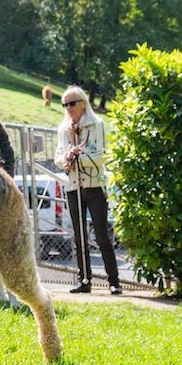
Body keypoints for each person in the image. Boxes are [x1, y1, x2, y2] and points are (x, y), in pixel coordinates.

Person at [55, 86, 122, 295]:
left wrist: (78, 157)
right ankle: (84, 279)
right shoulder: (63, 129)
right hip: (73, 187)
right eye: (65, 104)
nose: (69, 108)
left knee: (101, 234)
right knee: (79, 236)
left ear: (83, 103)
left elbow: (101, 156)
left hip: (94, 186)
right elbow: (58, 157)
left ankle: (114, 281)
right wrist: (66, 158)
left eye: (72, 103)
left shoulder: (97, 125)